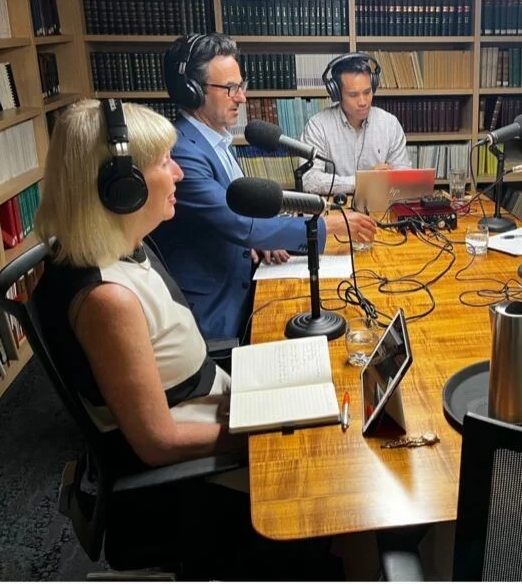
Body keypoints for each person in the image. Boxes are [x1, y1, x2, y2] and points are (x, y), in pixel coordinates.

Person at [34, 100, 340, 579]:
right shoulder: (107, 301)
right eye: (162, 162)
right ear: (121, 186)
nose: (178, 173)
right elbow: (160, 442)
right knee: (345, 487)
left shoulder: (128, 250)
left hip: (222, 405)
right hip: (194, 479)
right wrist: (270, 441)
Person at [150, 33, 376, 340]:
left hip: (245, 283)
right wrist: (331, 223)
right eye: (230, 88)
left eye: (241, 86)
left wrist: (258, 242)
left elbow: (225, 223)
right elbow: (240, 223)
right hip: (216, 312)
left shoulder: (215, 142)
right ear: (192, 91)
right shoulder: (183, 154)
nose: (241, 98)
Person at [300, 52, 411, 195]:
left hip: (381, 206)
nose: (363, 102)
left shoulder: (389, 124)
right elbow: (309, 180)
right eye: (353, 95)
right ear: (337, 94)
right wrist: (362, 181)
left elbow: (405, 176)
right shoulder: (318, 126)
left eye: (367, 92)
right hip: (338, 210)